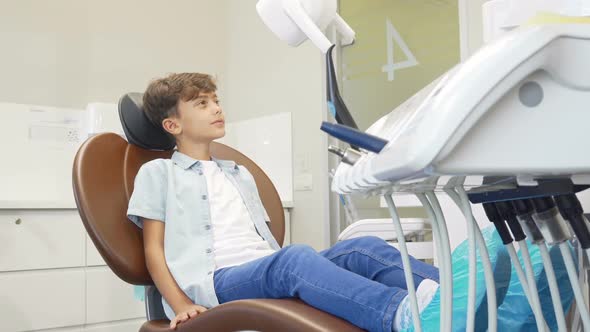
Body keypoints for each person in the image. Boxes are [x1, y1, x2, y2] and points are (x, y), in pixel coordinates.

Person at [127, 72, 439, 332]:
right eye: (202, 104)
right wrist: (180, 304)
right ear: (173, 125)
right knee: (294, 260)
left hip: (262, 268)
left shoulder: (238, 173)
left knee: (363, 248)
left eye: (217, 101)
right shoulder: (158, 173)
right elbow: (153, 249)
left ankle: (460, 293)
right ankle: (399, 314)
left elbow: (262, 242)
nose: (217, 109)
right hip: (215, 281)